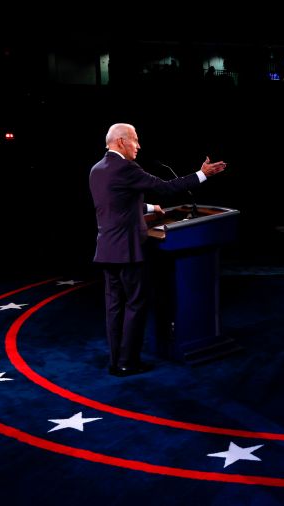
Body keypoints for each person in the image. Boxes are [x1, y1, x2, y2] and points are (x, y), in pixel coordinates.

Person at [89, 123, 228, 377]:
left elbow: (117, 205)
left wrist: (152, 209)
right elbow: (165, 187)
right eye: (135, 140)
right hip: (128, 251)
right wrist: (202, 174)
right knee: (135, 305)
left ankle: (115, 360)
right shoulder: (127, 168)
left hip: (107, 250)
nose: (138, 146)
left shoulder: (97, 170)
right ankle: (128, 363)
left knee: (114, 307)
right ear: (121, 141)